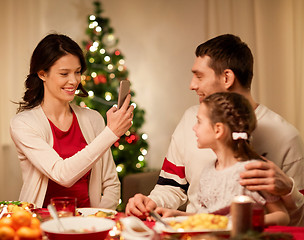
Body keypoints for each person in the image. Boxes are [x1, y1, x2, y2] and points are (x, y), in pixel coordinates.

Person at [125, 34, 304, 226]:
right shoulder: (190, 120)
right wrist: (152, 202)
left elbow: (295, 221)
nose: (192, 85)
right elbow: (171, 187)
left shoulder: (287, 137)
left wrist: (288, 190)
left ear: (227, 77)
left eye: (199, 76)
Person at [10, 33, 134, 209]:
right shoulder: (23, 124)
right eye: (64, 73)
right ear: (42, 74)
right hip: (41, 222)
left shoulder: (92, 119)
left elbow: (111, 184)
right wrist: (110, 133)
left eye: (77, 72)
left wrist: (97, 218)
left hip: (88, 224)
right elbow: (62, 174)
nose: (74, 81)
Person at [156, 92, 289, 226]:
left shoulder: (251, 171)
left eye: (199, 122)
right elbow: (208, 219)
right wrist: (179, 215)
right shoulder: (208, 171)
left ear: (218, 130)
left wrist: (247, 223)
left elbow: (282, 216)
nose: (194, 128)